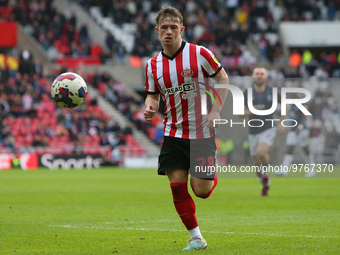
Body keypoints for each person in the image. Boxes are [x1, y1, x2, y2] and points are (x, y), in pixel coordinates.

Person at [143, 6, 229, 251]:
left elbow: (222, 78)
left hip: (201, 132)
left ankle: (210, 171)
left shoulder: (200, 53)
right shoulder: (152, 65)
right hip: (172, 133)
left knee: (201, 191)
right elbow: (152, 96)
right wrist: (150, 108)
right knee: (177, 186)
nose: (168, 31)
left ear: (181, 29)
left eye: (173, 27)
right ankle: (196, 238)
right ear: (157, 30)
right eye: (164, 27)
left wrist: (216, 110)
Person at [238, 67, 285, 196]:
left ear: (265, 77)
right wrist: (250, 111)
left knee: (261, 152)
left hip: (268, 128)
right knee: (256, 161)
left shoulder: (273, 92)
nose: (259, 76)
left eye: (262, 74)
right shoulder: (246, 93)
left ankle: (266, 174)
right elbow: (238, 113)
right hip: (253, 131)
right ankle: (265, 183)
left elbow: (285, 103)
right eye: (257, 74)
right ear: (253, 76)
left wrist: (282, 121)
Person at [275, 95, 315, 177]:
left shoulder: (301, 105)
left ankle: (312, 169)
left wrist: (300, 127)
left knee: (305, 149)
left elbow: (305, 117)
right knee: (289, 148)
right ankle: (284, 170)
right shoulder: (291, 106)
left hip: (302, 130)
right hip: (293, 130)